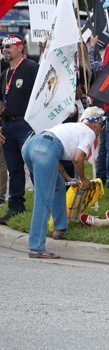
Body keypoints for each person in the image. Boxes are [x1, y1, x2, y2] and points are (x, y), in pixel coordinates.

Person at [21, 108, 105, 258]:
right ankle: (36, 248)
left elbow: (53, 154)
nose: (101, 129)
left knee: (58, 186)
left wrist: (67, 178)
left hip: (31, 145)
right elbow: (78, 158)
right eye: (102, 125)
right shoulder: (89, 132)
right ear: (95, 124)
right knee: (43, 198)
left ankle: (59, 228)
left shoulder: (73, 127)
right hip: (45, 149)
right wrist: (84, 179)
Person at [0, 34, 40, 224]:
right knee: (14, 168)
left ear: (20, 48)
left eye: (9, 46)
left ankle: (42, 205)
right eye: (3, 46)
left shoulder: (31, 67)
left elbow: (43, 93)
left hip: (26, 124)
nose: (5, 49)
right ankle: (15, 206)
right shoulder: (4, 74)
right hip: (7, 125)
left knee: (33, 165)